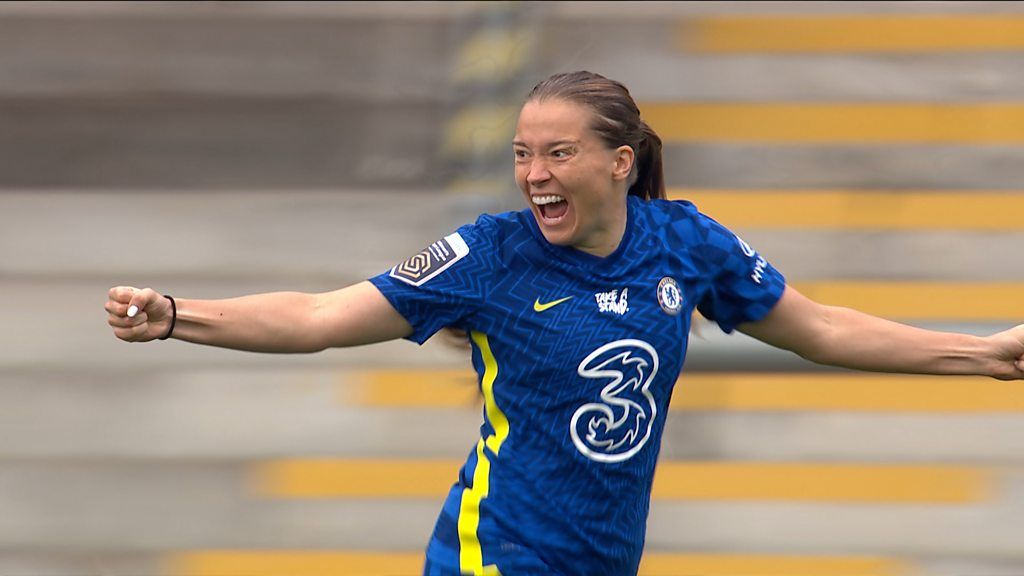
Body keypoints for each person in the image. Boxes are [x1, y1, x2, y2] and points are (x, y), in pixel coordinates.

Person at [106, 71, 1024, 576]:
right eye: (521, 154)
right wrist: (180, 316)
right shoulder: (489, 255)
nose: (533, 172)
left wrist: (980, 352)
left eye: (558, 152)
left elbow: (817, 328)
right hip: (496, 554)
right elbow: (316, 316)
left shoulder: (685, 242)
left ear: (620, 162)